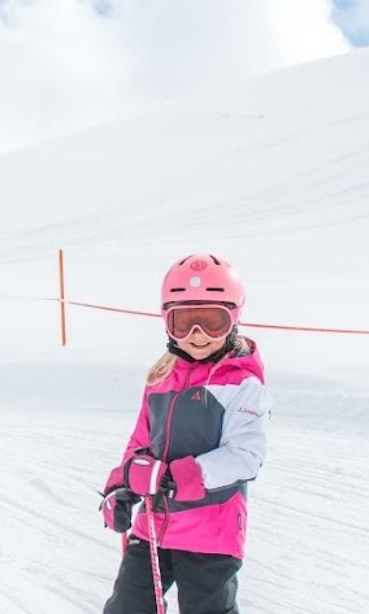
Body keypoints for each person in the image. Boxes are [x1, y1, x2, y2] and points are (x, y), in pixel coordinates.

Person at [100, 253, 272, 614]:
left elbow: (245, 457)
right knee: (126, 608)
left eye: (211, 321)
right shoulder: (161, 377)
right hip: (153, 525)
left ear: (233, 319)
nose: (197, 335)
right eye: (184, 322)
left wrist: (175, 478)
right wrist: (121, 485)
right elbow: (141, 442)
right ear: (167, 322)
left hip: (211, 533)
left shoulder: (243, 384)